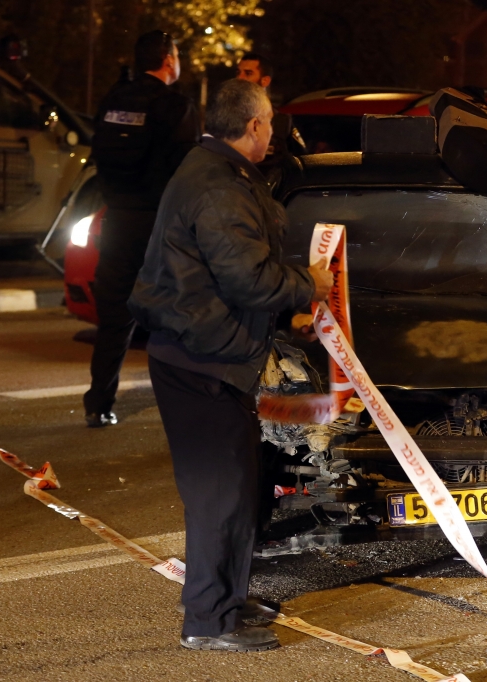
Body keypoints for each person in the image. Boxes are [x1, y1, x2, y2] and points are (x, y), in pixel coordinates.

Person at [128, 79, 334, 651]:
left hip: (212, 356)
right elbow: (248, 277)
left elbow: (237, 269)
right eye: (268, 122)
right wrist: (307, 287)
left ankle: (228, 597)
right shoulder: (218, 186)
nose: (273, 131)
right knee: (218, 494)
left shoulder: (218, 172)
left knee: (239, 489)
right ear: (253, 127)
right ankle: (208, 622)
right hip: (200, 362)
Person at [83, 30, 200, 427]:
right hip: (158, 225)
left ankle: (99, 403)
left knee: (115, 317)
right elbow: (186, 172)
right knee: (176, 315)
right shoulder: (175, 105)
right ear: (169, 61)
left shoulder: (114, 99)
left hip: (117, 222)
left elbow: (98, 153)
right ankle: (188, 406)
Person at [234, 51, 302, 178]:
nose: (240, 78)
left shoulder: (281, 121)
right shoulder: (226, 117)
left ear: (265, 81)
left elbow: (299, 159)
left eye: (248, 73)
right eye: (238, 72)